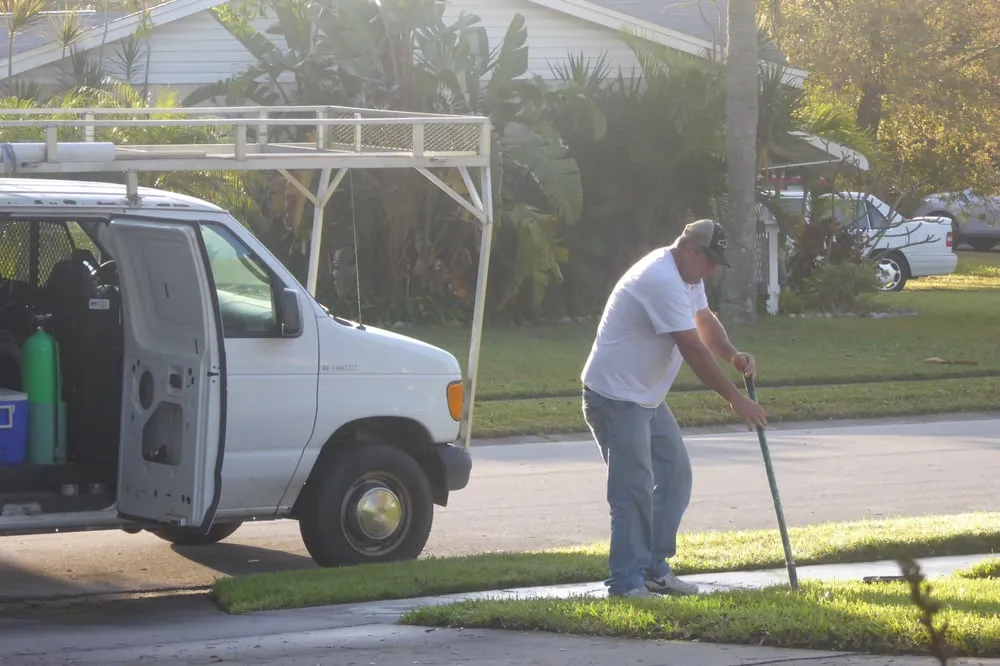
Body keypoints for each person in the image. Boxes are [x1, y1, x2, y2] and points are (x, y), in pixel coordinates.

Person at [580, 218, 769, 598]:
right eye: (710, 259)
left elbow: (703, 321)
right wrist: (736, 398)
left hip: (644, 397)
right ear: (689, 249)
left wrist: (733, 355)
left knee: (675, 477)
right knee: (632, 489)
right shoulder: (660, 279)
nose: (713, 269)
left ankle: (653, 568)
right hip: (616, 398)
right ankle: (626, 582)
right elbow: (692, 348)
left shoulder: (687, 276)